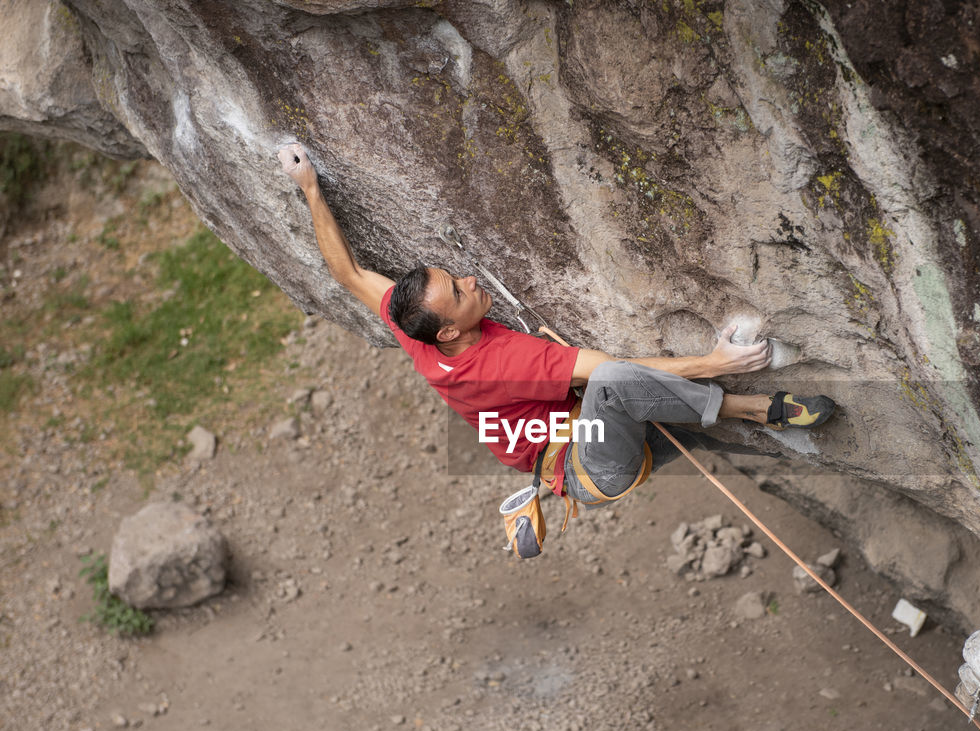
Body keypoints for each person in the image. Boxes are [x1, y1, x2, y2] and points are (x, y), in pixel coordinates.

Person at [277, 143, 834, 511]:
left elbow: (347, 273)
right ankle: (758, 410)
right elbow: (619, 373)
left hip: (577, 442)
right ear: (449, 331)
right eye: (458, 290)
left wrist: (310, 188)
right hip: (590, 465)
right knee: (617, 384)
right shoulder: (501, 363)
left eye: (455, 277)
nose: (470, 280)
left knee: (652, 412)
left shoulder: (417, 330)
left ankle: (748, 424)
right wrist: (716, 364)